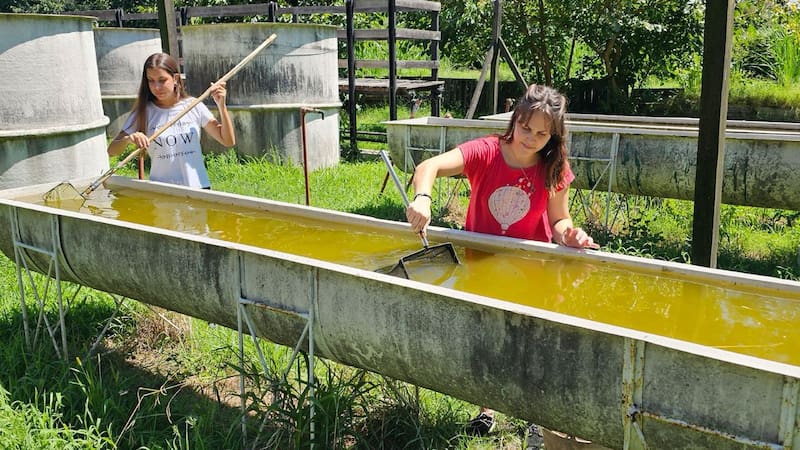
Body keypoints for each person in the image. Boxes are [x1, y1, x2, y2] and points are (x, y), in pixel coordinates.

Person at [404, 83, 599, 437]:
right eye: (525, 128)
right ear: (515, 119)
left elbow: (559, 220)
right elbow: (428, 166)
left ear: (554, 135)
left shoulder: (554, 166)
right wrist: (422, 198)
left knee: (532, 340)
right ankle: (487, 409)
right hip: (483, 267)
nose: (531, 138)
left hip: (531, 271)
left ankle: (535, 416)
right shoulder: (486, 152)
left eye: (542, 133)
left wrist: (571, 234)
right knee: (487, 338)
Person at [107, 53, 235, 189]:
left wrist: (221, 105)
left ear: (175, 78)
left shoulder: (193, 105)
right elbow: (111, 151)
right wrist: (128, 139)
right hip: (163, 192)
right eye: (151, 80)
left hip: (198, 189)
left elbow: (227, 141)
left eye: (162, 80)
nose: (156, 87)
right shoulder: (144, 112)